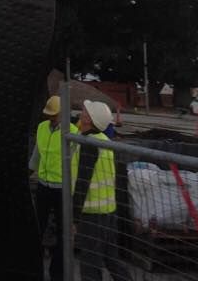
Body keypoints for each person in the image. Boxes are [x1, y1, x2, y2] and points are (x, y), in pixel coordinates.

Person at [72, 100, 130, 281]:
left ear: (89, 119)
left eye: (84, 111)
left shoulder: (89, 144)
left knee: (90, 264)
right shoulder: (104, 141)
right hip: (108, 212)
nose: (80, 113)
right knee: (111, 259)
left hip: (92, 215)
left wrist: (74, 217)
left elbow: (82, 182)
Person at [29, 95, 78, 281]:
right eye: (49, 114)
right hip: (44, 186)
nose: (51, 118)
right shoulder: (42, 128)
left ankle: (57, 273)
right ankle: (34, 269)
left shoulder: (72, 133)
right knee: (37, 228)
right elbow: (36, 155)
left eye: (54, 115)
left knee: (63, 233)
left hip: (62, 190)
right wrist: (28, 172)